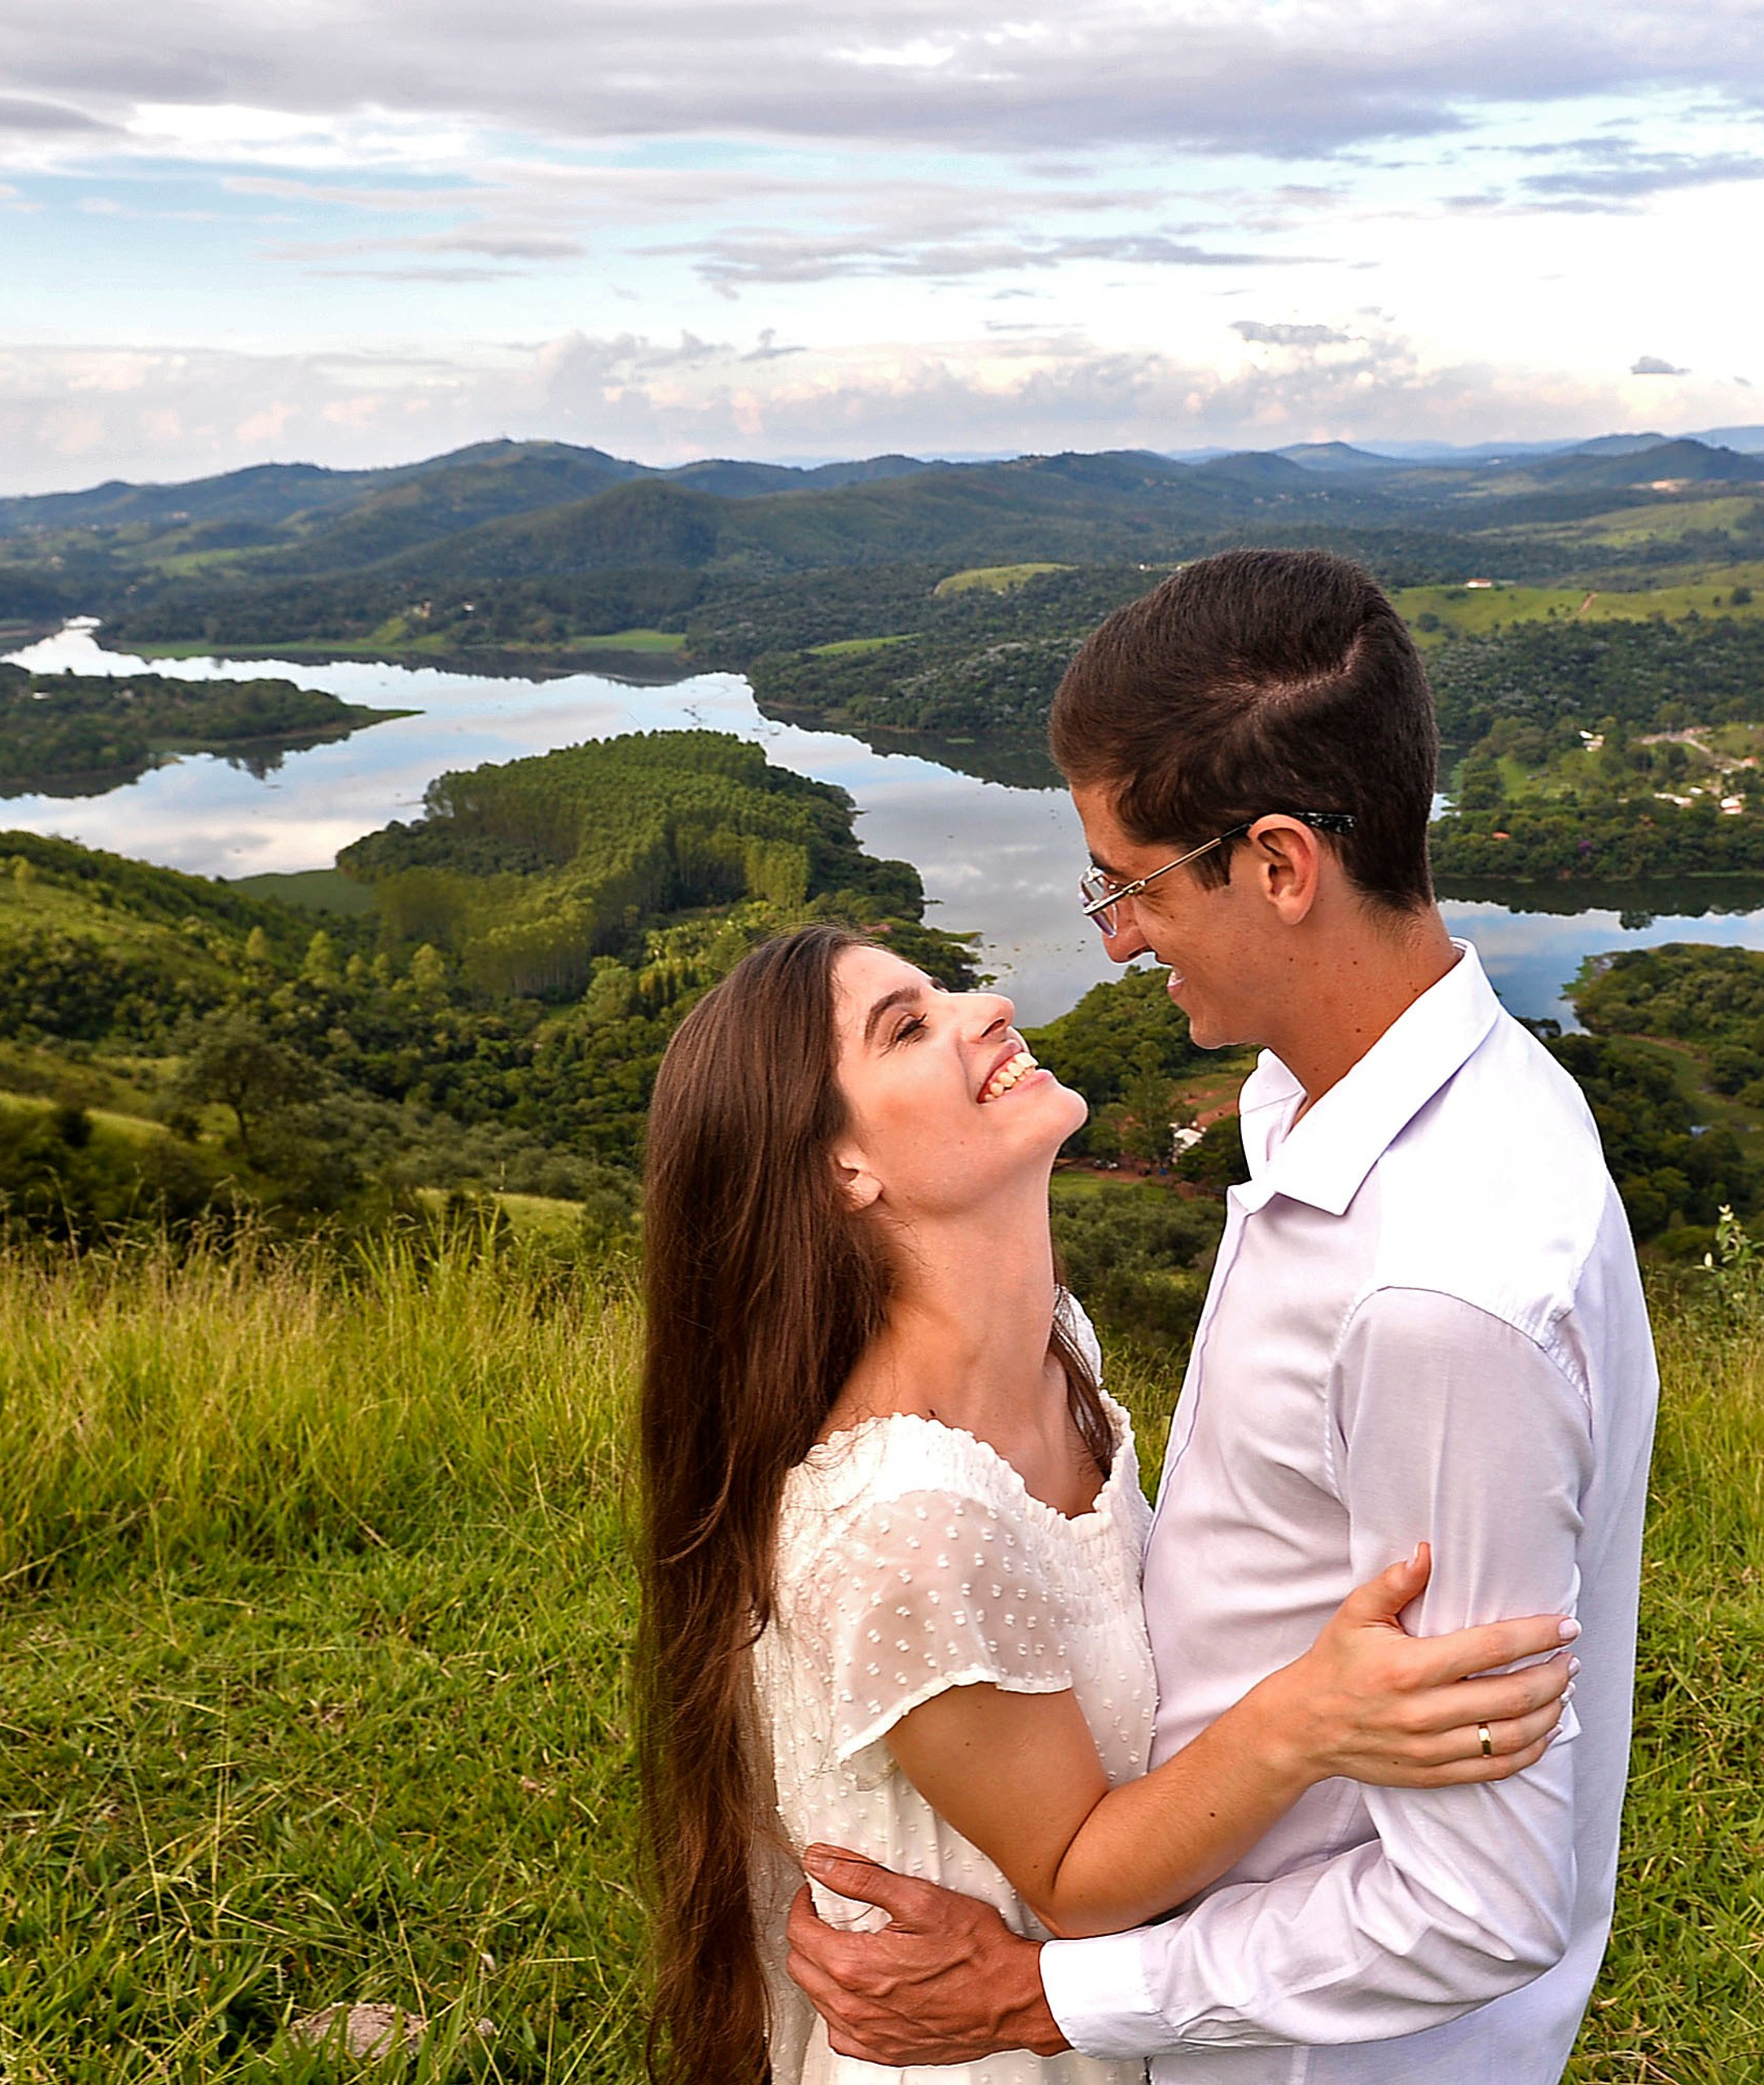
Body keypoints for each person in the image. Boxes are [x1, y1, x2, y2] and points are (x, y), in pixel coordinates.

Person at [784, 549, 1661, 2082]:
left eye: (1129, 884)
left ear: (1275, 865)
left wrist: (1043, 2002)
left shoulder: (1431, 1301)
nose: (1115, 938)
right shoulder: (1396, 1100)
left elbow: (1475, 1905)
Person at [634, 920, 1582, 2085]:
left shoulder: (1056, 1355)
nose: (983, 1008)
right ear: (843, 1170)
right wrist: (1309, 1718)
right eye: (908, 1027)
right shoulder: (912, 1514)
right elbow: (1073, 1876)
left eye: (943, 988)